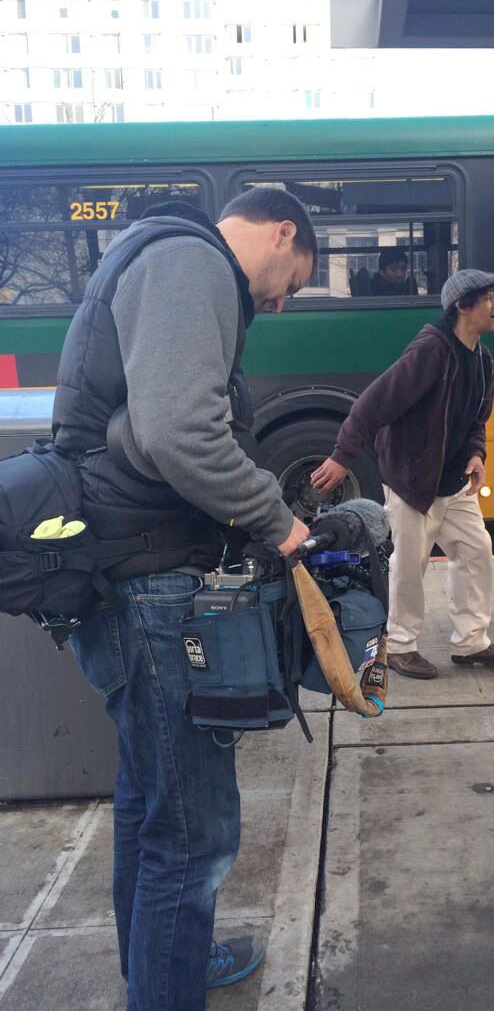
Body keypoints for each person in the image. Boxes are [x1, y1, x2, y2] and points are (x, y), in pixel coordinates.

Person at [53, 187, 316, 1010]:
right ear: (281, 233)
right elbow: (177, 433)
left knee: (149, 798)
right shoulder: (190, 261)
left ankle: (168, 962)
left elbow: (149, 424)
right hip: (152, 588)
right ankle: (166, 985)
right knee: (194, 832)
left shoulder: (157, 256)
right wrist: (281, 523)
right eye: (296, 281)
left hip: (122, 576)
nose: (280, 302)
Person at [310, 269, 494, 680]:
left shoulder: (482, 358)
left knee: (475, 550)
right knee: (410, 563)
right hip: (412, 478)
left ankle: (471, 642)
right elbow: (372, 404)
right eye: (489, 299)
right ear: (462, 306)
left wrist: (476, 454)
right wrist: (342, 456)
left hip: (453, 479)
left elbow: (478, 418)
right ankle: (402, 645)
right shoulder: (431, 351)